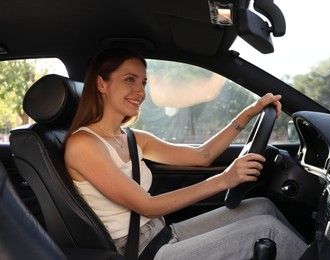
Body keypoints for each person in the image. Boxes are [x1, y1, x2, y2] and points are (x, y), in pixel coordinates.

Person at [63, 47, 307, 260]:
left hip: (161, 233)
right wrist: (224, 179)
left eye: (143, 83)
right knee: (265, 230)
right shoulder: (84, 144)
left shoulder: (133, 138)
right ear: (101, 83)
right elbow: (147, 206)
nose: (140, 92)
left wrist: (249, 113)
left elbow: (202, 156)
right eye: (129, 79)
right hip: (138, 251)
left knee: (261, 207)